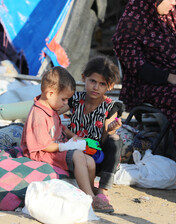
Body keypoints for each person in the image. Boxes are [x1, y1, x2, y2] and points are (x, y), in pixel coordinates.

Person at [20, 66, 114, 213]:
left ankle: (88, 188)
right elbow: (43, 146)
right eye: (64, 99)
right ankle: (89, 197)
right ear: (50, 93)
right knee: (77, 154)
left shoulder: (51, 109)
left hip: (56, 147)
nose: (66, 103)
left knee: (89, 160)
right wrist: (67, 146)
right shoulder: (38, 114)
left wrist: (73, 136)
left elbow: (61, 127)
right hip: (43, 152)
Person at [112, 0, 176, 158]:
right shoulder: (132, 23)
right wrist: (169, 77)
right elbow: (138, 68)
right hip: (145, 85)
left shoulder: (171, 17)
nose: (174, 3)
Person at [59, 56, 123, 212]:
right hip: (74, 150)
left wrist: (111, 130)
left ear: (110, 86)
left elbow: (105, 140)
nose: (96, 87)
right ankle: (89, 189)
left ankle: (102, 191)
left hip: (96, 155)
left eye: (102, 84)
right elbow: (54, 111)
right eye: (92, 81)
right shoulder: (75, 99)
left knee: (115, 141)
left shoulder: (111, 107)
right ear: (84, 78)